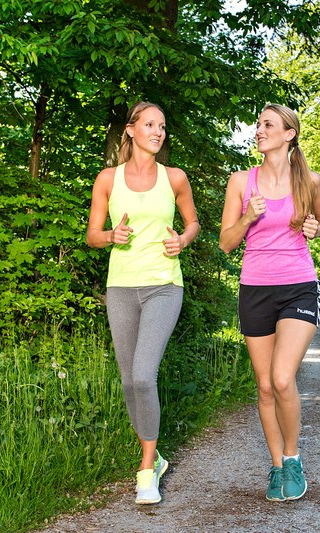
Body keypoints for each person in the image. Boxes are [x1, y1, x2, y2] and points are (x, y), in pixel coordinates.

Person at [86, 102, 200, 504]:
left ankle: (147, 469)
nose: (158, 131)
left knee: (142, 376)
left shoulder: (175, 178)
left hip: (163, 285)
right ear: (130, 131)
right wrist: (110, 237)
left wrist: (182, 240)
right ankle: (154, 456)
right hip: (121, 287)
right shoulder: (107, 179)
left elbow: (193, 223)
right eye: (150, 124)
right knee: (128, 381)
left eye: (163, 126)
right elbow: (92, 235)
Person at [219, 103, 320, 502]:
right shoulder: (240, 181)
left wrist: (317, 228)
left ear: (289, 134)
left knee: (283, 378)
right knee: (265, 386)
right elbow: (226, 242)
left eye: (268, 124)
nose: (259, 130)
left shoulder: (310, 181)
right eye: (258, 125)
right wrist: (248, 218)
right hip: (255, 288)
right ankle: (276, 467)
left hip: (299, 285)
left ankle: (294, 458)